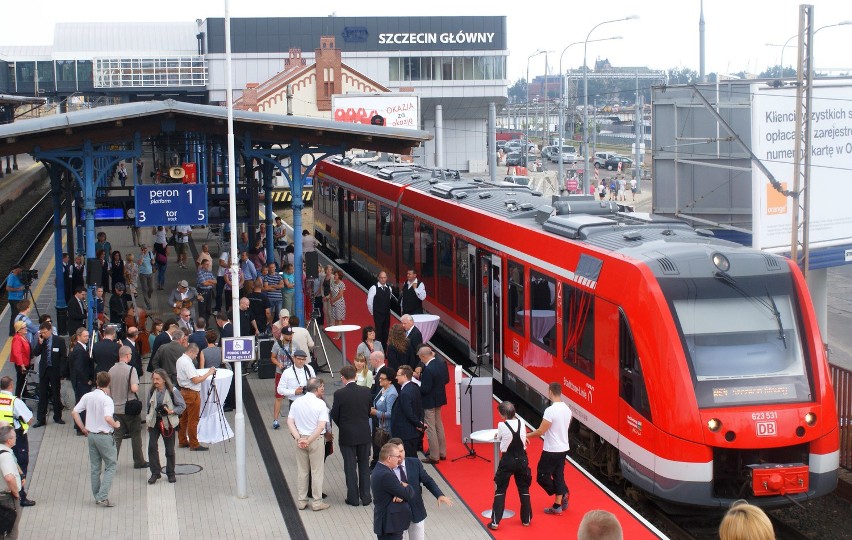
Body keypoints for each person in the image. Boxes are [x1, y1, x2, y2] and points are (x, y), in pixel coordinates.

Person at [72, 371, 121, 507]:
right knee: (111, 465)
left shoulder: (88, 396)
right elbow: (107, 418)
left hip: (91, 435)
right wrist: (116, 425)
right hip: (104, 436)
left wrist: (83, 428)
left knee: (95, 467)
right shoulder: (107, 400)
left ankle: (96, 495)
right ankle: (102, 496)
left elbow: (74, 412)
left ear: (96, 382)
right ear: (109, 383)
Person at [388, 437, 452, 540]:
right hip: (396, 517)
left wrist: (439, 495)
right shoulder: (386, 470)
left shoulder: (415, 463)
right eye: (397, 452)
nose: (400, 455)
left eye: (402, 451)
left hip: (416, 513)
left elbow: (427, 480)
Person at [331, 364, 373, 507]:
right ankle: (366, 497)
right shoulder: (366, 391)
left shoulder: (339, 394)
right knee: (364, 466)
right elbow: (368, 411)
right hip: (364, 434)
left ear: (342, 378)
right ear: (356, 376)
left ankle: (353, 498)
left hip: (347, 436)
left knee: (350, 467)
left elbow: (334, 414)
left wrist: (343, 426)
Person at [528, 381, 573, 514]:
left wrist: (525, 436)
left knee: (542, 477)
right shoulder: (567, 409)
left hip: (551, 449)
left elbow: (540, 431)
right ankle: (557, 505)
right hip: (564, 448)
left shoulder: (550, 410)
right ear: (560, 392)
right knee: (558, 475)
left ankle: (562, 493)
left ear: (550, 392)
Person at [286, 377, 331, 512]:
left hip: (300, 440)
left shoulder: (296, 403)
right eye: (322, 387)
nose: (323, 389)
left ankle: (302, 500)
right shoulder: (320, 404)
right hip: (315, 440)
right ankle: (317, 502)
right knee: (317, 472)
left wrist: (299, 438)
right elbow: (321, 425)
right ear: (317, 389)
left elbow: (290, 422)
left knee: (302, 471)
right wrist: (309, 440)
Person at [488, 400, 531, 530]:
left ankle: (495, 522)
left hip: (507, 461)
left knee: (500, 490)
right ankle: (526, 520)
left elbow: (500, 437)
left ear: (503, 415)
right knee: (524, 489)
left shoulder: (502, 425)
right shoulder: (521, 423)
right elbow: (522, 438)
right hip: (522, 459)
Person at [108, 346, 147, 469]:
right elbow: (134, 388)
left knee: (117, 436)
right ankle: (139, 461)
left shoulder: (111, 370)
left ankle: (111, 463)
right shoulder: (131, 369)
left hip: (116, 408)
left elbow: (108, 391)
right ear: (127, 355)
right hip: (129, 408)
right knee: (135, 435)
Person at [146, 369, 186, 484]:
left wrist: (171, 411)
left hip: (168, 422)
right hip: (154, 422)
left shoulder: (172, 391)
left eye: (157, 379)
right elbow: (149, 406)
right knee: (152, 447)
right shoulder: (151, 390)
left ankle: (171, 473)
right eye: (153, 379)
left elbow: (182, 406)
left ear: (164, 379)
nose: (155, 381)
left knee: (170, 450)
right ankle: (155, 473)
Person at [0, 376, 35, 507]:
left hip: (0, 437)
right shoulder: (14, 401)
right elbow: (30, 418)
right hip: (15, 437)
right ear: (11, 385)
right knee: (20, 464)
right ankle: (20, 496)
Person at [371, 442, 415, 540]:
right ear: (389, 458)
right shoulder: (386, 475)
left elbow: (397, 491)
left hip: (389, 524)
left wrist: (400, 492)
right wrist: (408, 486)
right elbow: (407, 494)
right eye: (397, 456)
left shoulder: (381, 469)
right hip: (390, 526)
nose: (400, 459)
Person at [176, 343, 213, 451]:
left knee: (184, 418)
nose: (196, 356)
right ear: (191, 351)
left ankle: (182, 440)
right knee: (193, 420)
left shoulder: (180, 360)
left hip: (183, 391)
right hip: (192, 393)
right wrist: (208, 373)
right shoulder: (187, 363)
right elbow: (195, 380)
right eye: (195, 354)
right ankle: (194, 444)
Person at [31, 322, 67, 428]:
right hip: (44, 370)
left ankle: (57, 416)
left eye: (45, 332)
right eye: (41, 332)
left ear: (50, 330)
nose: (43, 334)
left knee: (56, 394)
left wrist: (61, 372)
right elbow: (36, 353)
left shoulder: (59, 340)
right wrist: (40, 343)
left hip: (54, 370)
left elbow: (63, 357)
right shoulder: (42, 340)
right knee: (43, 395)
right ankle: (41, 419)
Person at [417, 346, 449, 464]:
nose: (421, 361)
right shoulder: (441, 363)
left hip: (429, 401)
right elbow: (446, 380)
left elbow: (425, 389)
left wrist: (417, 386)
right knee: (438, 425)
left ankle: (434, 456)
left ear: (424, 356)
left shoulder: (428, 369)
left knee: (430, 428)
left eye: (421, 358)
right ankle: (442, 452)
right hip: (439, 398)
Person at [391, 365, 426, 458]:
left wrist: (419, 424)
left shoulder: (405, 392)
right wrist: (420, 422)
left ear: (405, 376)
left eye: (398, 375)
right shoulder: (415, 387)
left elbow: (409, 413)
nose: (396, 377)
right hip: (412, 433)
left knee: (409, 459)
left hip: (406, 433)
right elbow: (420, 407)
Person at [370, 366, 398, 467]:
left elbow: (390, 414)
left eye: (382, 379)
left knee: (384, 450)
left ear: (390, 381)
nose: (380, 380)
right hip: (379, 424)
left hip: (386, 428)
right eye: (379, 378)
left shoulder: (391, 394)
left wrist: (375, 412)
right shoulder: (383, 389)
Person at [69, 327, 94, 435]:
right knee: (82, 404)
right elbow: (79, 368)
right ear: (78, 336)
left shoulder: (80, 348)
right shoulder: (79, 350)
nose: (87, 338)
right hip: (81, 383)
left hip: (79, 382)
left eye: (88, 336)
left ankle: (80, 425)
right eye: (85, 336)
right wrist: (87, 380)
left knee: (81, 403)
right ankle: (81, 427)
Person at [0, 425, 23, 537]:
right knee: (12, 530)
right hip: (7, 497)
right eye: (14, 437)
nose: (16, 438)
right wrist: (16, 493)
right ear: (9, 440)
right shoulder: (6, 456)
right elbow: (9, 477)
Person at [366, 271, 393, 349]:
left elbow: (389, 299)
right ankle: (378, 350)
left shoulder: (389, 288)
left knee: (386, 333)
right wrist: (373, 312)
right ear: (378, 278)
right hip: (378, 314)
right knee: (379, 333)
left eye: (384, 278)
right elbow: (369, 302)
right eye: (381, 278)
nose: (383, 279)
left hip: (387, 314)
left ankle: (384, 350)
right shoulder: (374, 288)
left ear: (386, 278)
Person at [10, 322, 32, 399]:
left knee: (23, 381)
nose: (26, 328)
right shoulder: (17, 338)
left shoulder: (23, 336)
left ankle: (24, 394)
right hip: (21, 364)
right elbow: (17, 353)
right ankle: (19, 398)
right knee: (20, 382)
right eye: (24, 327)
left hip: (25, 363)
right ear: (19, 330)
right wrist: (22, 365)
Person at [6, 265, 25, 336]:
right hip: (14, 299)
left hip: (18, 298)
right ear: (15, 270)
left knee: (16, 315)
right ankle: (13, 332)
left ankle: (15, 330)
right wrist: (18, 289)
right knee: (15, 315)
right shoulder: (12, 277)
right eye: (19, 269)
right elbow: (8, 288)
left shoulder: (18, 276)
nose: (20, 271)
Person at [196, 258, 216, 322]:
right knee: (202, 309)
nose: (208, 266)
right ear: (202, 265)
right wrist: (211, 283)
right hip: (202, 292)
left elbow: (215, 281)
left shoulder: (209, 272)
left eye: (209, 265)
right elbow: (204, 283)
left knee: (208, 308)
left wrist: (209, 280)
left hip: (209, 292)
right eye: (206, 264)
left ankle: (206, 323)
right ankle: (202, 324)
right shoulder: (200, 272)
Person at [137, 245, 154, 310]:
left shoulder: (150, 253)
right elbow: (140, 263)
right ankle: (148, 304)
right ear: (141, 249)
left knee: (151, 288)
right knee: (144, 289)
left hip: (150, 273)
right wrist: (142, 255)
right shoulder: (140, 255)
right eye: (143, 249)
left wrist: (152, 261)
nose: (145, 250)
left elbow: (153, 261)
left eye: (145, 248)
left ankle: (147, 297)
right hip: (143, 274)